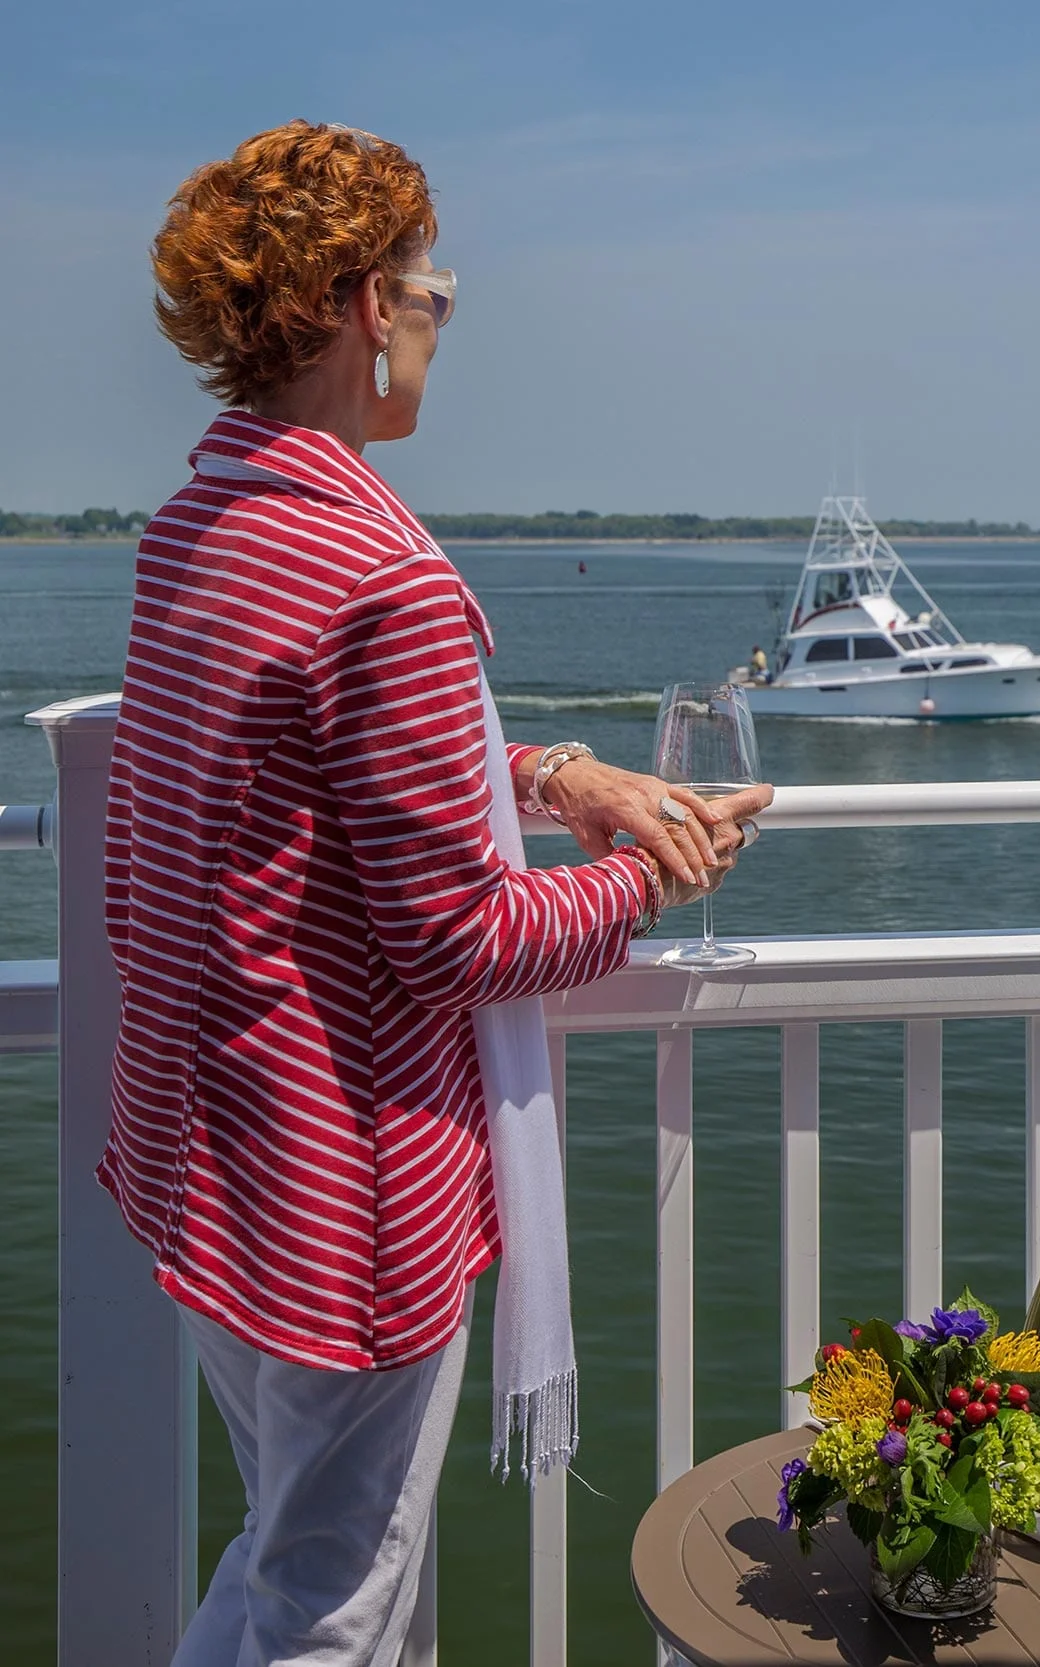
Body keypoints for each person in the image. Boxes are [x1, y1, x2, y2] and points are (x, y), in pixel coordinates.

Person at [100, 119, 771, 1667]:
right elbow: (459, 934)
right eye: (436, 291)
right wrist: (649, 871)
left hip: (204, 1159)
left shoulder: (204, 527)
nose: (441, 322)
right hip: (343, 1197)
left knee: (286, 1556)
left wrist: (561, 775)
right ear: (359, 305)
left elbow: (323, 777)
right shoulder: (380, 571)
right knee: (327, 1612)